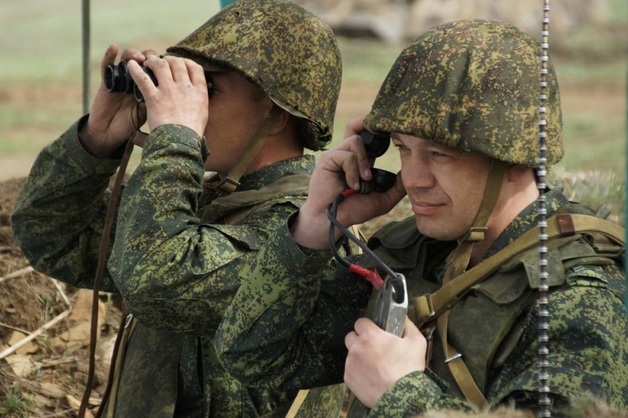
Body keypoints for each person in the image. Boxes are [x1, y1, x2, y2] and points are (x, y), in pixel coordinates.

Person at [214, 19, 628, 416]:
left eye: (440, 155)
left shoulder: (575, 300)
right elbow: (253, 356)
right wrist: (313, 228)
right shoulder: (412, 250)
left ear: (516, 160)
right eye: (402, 148)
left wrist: (401, 397)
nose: (412, 179)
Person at [11, 0, 343, 416]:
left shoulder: (305, 232)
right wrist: (98, 140)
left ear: (275, 115)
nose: (189, 103)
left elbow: (155, 280)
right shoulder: (204, 204)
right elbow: (51, 235)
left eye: (208, 90)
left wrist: (176, 136)